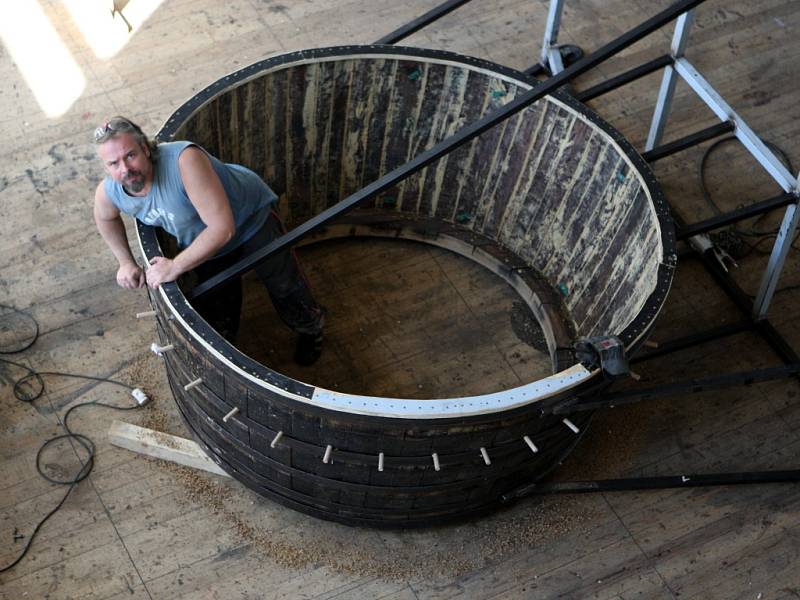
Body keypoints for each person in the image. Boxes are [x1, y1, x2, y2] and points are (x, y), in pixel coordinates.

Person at [92, 116, 325, 365]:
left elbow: (223, 229)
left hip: (252, 220)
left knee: (284, 283)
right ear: (107, 168)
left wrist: (176, 265)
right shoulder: (110, 190)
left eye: (130, 155)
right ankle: (228, 352)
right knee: (219, 300)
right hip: (207, 244)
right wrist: (125, 262)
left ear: (146, 148)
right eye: (114, 163)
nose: (125, 169)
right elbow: (105, 218)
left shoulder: (184, 161)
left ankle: (311, 330)